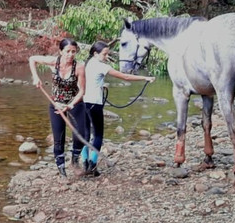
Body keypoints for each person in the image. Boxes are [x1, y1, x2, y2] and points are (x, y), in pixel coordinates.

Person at [79, 40, 154, 176]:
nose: (106, 56)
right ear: (95, 53)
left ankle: (84, 163)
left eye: (107, 54)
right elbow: (124, 76)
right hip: (95, 103)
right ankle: (93, 165)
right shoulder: (101, 66)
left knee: (85, 134)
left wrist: (102, 85)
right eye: (104, 54)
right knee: (98, 135)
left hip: (84, 101)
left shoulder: (88, 63)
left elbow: (91, 81)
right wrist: (145, 78)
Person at [29, 38, 87, 178]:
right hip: (56, 104)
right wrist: (35, 77)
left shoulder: (79, 67)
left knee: (80, 134)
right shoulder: (53, 62)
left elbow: (82, 91)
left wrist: (70, 105)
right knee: (58, 138)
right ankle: (61, 169)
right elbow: (32, 59)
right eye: (67, 51)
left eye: (73, 51)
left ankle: (74, 161)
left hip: (74, 103)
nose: (70, 54)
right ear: (61, 51)